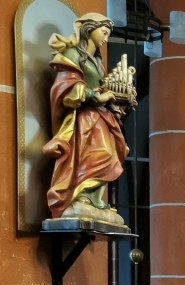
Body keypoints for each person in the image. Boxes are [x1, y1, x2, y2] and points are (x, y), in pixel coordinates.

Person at [43, 13, 128, 227]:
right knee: (93, 155)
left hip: (102, 116)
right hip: (84, 117)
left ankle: (96, 200)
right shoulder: (73, 54)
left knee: (112, 154)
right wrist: (94, 95)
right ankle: (79, 196)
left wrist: (113, 98)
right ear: (90, 29)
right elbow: (66, 84)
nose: (106, 38)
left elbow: (100, 86)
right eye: (104, 32)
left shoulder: (98, 62)